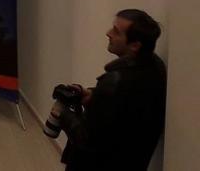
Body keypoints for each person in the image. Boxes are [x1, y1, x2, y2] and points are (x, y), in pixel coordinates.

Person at [60, 9, 167, 170]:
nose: (108, 33)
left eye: (116, 31)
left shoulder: (115, 82)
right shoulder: (155, 69)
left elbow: (86, 139)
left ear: (135, 45)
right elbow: (122, 112)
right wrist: (94, 96)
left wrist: (64, 115)